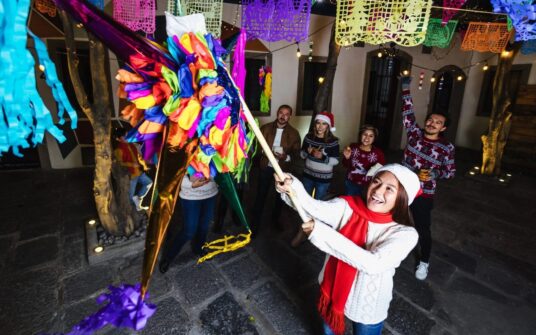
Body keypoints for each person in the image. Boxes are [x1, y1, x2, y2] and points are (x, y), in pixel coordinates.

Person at [275, 164, 420, 335]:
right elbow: (313, 208)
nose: (377, 191)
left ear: (402, 197)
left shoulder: (405, 234)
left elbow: (373, 263)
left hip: (367, 303)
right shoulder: (348, 206)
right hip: (332, 290)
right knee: (328, 331)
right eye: (376, 182)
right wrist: (291, 186)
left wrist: (322, 233)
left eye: (389, 188)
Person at [400, 76, 455, 281]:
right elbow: (407, 112)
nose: (432, 123)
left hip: (424, 192)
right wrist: (406, 88)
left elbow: (450, 172)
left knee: (422, 227)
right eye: (431, 120)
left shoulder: (446, 148)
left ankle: (424, 262)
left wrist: (434, 173)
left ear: (443, 128)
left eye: (438, 122)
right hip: (403, 185)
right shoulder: (414, 133)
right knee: (392, 219)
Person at [251, 104, 301, 236]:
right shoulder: (265, 128)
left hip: (282, 171)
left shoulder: (294, 133)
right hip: (266, 167)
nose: (283, 116)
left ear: (290, 116)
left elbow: (296, 155)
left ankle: (275, 221)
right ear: (277, 113)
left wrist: (286, 157)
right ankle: (254, 225)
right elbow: (255, 146)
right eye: (281, 113)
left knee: (280, 198)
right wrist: (265, 152)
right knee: (260, 196)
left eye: (286, 114)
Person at [159, 173, 218, 273]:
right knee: (189, 230)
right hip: (190, 196)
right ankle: (168, 257)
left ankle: (199, 248)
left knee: (204, 226)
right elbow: (175, 173)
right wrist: (190, 184)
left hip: (210, 193)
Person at [300, 112, 340, 200]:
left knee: (319, 202)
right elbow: (302, 155)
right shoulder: (308, 137)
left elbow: (336, 161)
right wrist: (307, 152)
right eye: (318, 123)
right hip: (308, 175)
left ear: (328, 126)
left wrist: (322, 157)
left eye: (324, 123)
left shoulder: (333, 141)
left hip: (324, 178)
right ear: (315, 124)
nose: (320, 126)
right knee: (305, 200)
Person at [113, 127, 153, 211]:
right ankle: (133, 211)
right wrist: (131, 164)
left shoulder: (132, 145)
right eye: (125, 136)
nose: (128, 137)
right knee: (130, 196)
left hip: (139, 172)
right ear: (119, 138)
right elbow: (119, 163)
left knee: (149, 183)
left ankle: (138, 200)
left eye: (127, 135)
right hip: (131, 175)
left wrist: (144, 166)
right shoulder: (118, 150)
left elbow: (139, 157)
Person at [342, 125, 385, 196]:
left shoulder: (378, 153)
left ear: (374, 138)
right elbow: (345, 165)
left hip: (367, 186)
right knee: (350, 203)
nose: (367, 138)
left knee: (362, 204)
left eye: (371, 136)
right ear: (360, 135)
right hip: (351, 182)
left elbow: (381, 172)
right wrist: (347, 158)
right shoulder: (352, 147)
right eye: (365, 134)